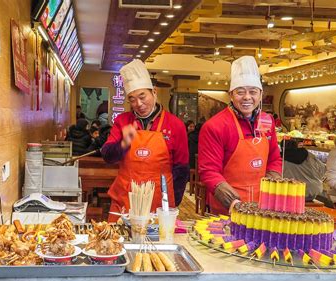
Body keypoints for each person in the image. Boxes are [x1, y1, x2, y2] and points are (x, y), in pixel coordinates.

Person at [102, 59, 189, 221]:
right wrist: (123, 144)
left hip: (159, 201)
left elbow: (181, 169)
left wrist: (172, 202)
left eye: (142, 96)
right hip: (125, 199)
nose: (139, 104)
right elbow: (107, 156)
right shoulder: (122, 120)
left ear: (154, 92)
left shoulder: (175, 125)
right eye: (132, 99)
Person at [198, 56, 282, 215]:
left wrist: (273, 187)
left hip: (263, 208)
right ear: (231, 94)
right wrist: (233, 203)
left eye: (253, 92)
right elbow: (209, 171)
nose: (247, 97)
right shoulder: (215, 126)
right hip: (228, 208)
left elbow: (274, 158)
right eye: (240, 92)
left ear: (261, 94)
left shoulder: (267, 121)